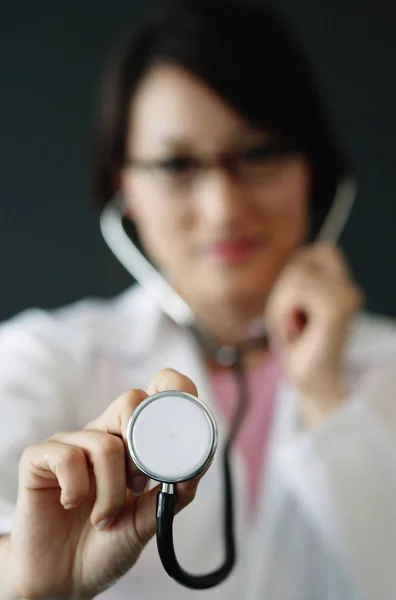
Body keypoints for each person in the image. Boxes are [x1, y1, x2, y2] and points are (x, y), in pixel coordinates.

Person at [1, 0, 396, 598]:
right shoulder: (41, 359)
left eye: (258, 154)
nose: (224, 208)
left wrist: (325, 399)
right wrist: (26, 587)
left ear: (311, 169)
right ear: (124, 187)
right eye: (177, 164)